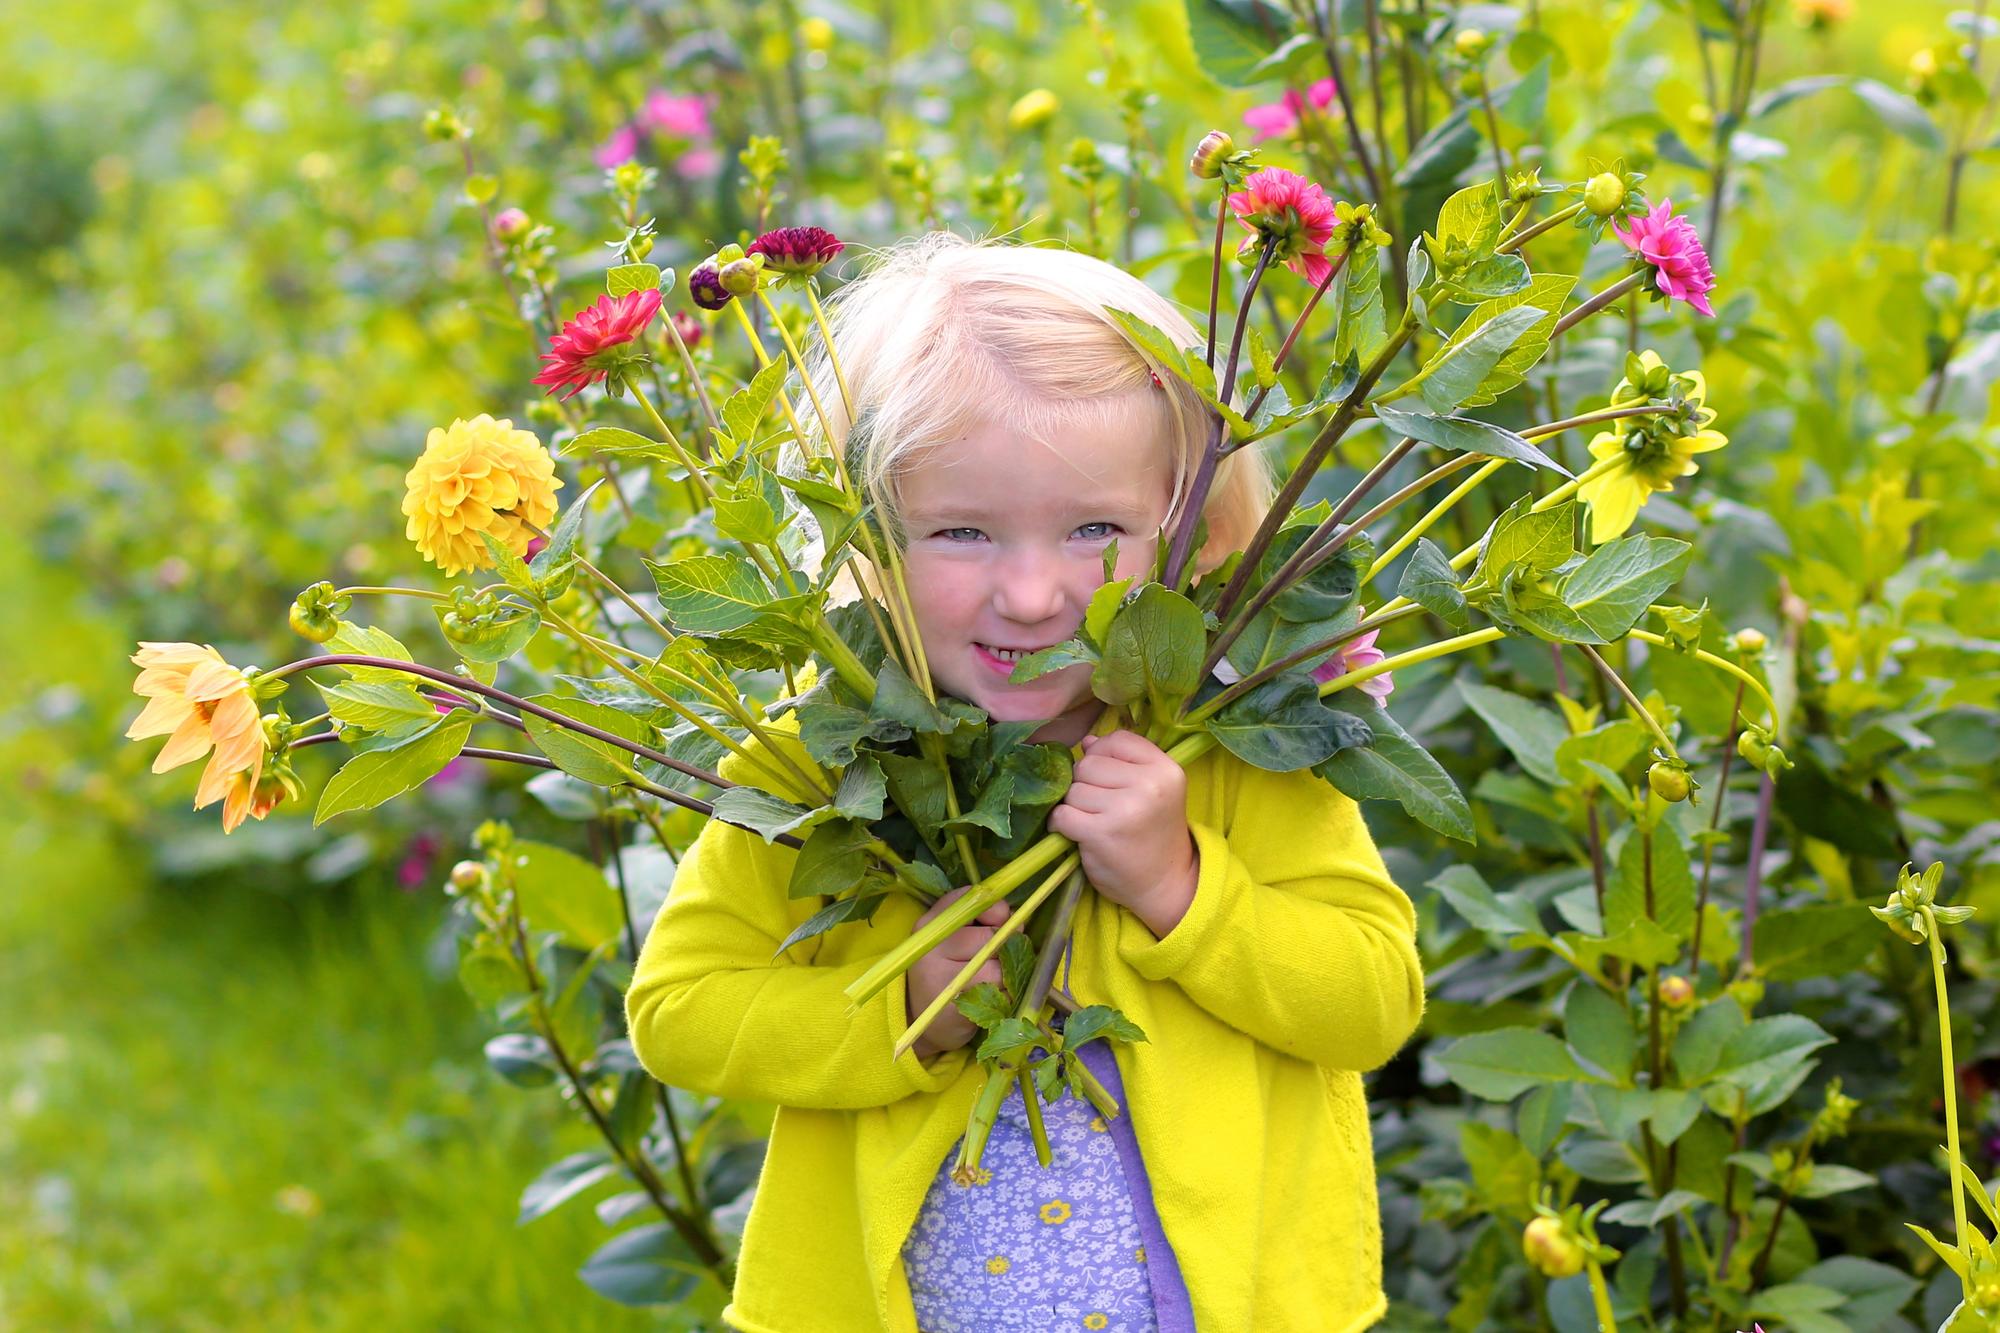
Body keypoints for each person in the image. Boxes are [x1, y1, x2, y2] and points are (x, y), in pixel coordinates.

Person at [625, 234, 1425, 1332]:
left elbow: (1372, 1002)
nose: (1035, 593)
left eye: (1094, 529)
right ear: (864, 530)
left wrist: (1184, 887)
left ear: (1187, 533)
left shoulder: (1233, 742)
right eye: (961, 532)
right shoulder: (822, 757)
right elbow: (678, 1010)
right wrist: (900, 1010)